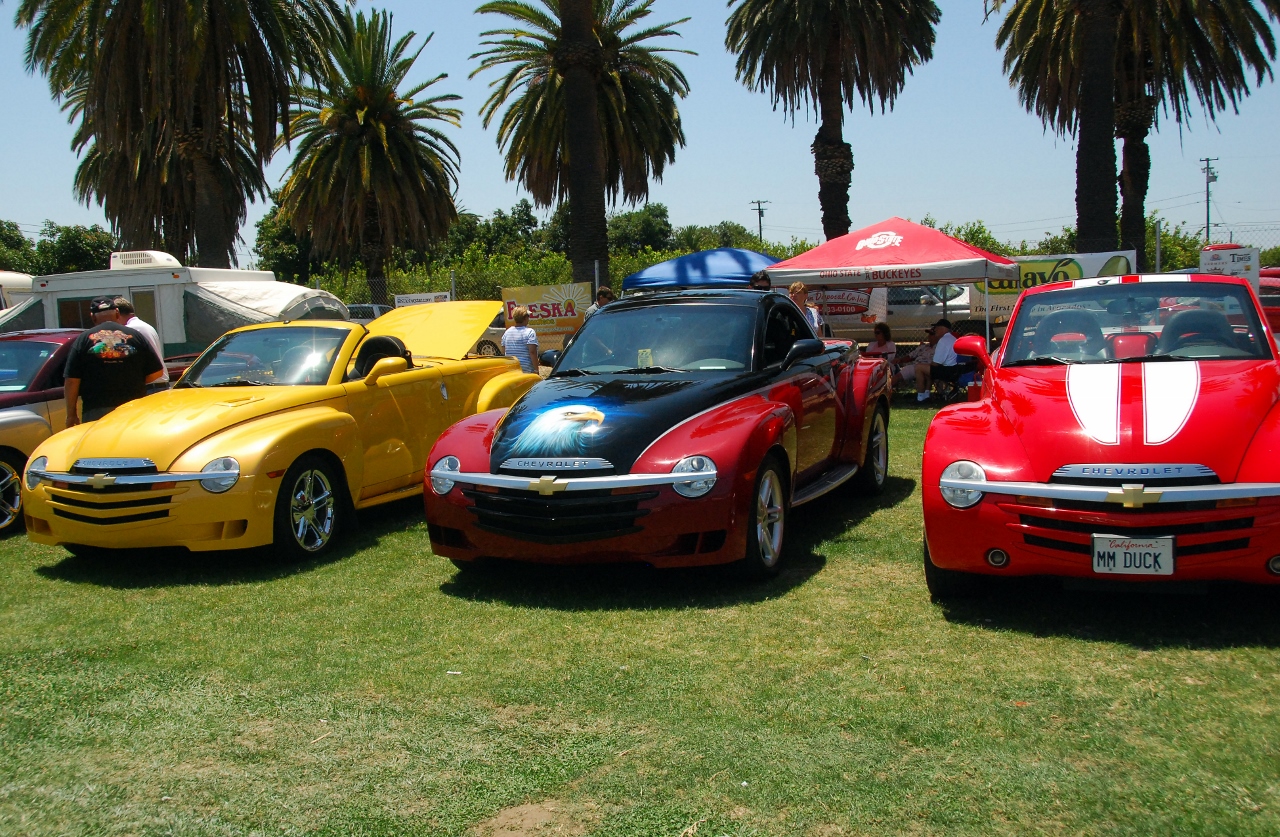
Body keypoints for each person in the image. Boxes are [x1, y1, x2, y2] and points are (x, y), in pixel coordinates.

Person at [64, 296, 165, 426]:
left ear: (93, 317)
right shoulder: (136, 336)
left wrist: (71, 415)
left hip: (96, 410)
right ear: (117, 313)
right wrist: (133, 381)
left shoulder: (83, 340)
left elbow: (71, 381)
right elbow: (157, 372)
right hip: (133, 408)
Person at [113, 296, 169, 393]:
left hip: (149, 387)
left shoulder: (130, 330)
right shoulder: (146, 326)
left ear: (117, 314)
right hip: (160, 384)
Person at [914, 319, 964, 402]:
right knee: (928, 369)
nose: (935, 330)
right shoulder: (952, 338)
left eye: (936, 328)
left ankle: (920, 397)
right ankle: (926, 394)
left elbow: (936, 363)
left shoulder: (943, 340)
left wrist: (927, 366)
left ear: (943, 328)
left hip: (949, 372)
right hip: (955, 370)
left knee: (919, 367)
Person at [502, 306, 540, 374]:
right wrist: (536, 370)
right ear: (525, 318)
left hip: (511, 368)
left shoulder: (507, 332)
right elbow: (532, 352)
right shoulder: (530, 332)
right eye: (528, 316)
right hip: (526, 369)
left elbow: (504, 351)